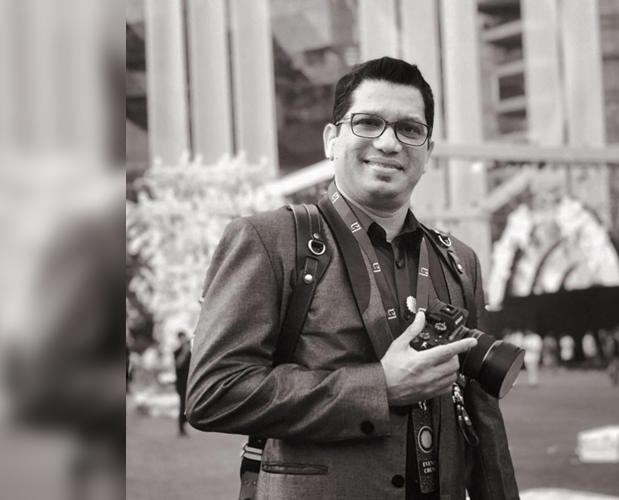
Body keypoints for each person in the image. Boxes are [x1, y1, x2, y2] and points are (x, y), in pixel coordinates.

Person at [186, 57, 519, 500]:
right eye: (368, 123)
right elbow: (214, 392)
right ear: (332, 139)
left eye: (409, 129)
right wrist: (379, 386)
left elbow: (483, 420)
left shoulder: (458, 259)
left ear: (427, 153)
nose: (388, 143)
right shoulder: (271, 240)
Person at [173, 331, 191, 436]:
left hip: (189, 382)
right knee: (182, 405)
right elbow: (178, 364)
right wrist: (185, 351)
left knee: (188, 405)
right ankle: (181, 427)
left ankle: (185, 422)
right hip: (181, 383)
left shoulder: (190, 352)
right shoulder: (177, 351)